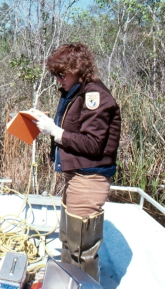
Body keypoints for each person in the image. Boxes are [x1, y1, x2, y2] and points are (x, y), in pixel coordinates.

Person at [31, 43, 121, 282]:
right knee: (69, 240)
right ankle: (67, 283)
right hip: (76, 178)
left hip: (89, 179)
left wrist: (55, 132)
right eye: (55, 75)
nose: (58, 80)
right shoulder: (76, 93)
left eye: (62, 74)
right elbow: (75, 129)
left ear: (78, 69)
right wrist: (46, 122)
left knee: (81, 249)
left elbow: (93, 144)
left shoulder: (95, 96)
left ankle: (84, 285)